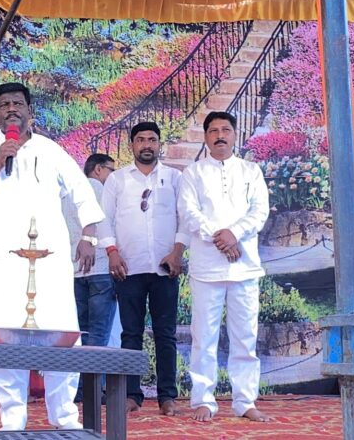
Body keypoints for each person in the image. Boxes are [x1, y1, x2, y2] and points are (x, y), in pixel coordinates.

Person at [0, 82, 104, 431]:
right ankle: (12, 418)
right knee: (1, 335)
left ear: (29, 111)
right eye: (5, 104)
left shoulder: (50, 150)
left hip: (49, 263)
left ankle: (64, 417)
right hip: (0, 265)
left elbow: (82, 192)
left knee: (61, 332)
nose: (12, 109)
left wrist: (88, 237)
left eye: (18, 103)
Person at [178, 111, 270, 423]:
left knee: (245, 337)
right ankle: (204, 400)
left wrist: (235, 234)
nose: (220, 135)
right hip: (207, 268)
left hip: (244, 267)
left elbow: (259, 212)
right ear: (206, 137)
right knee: (204, 338)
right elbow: (189, 213)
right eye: (214, 130)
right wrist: (220, 238)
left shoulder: (250, 170)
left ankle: (245, 401)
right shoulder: (193, 173)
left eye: (225, 130)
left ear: (234, 134)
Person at [98, 122, 187, 415]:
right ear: (132, 145)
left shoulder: (174, 178)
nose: (146, 144)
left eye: (152, 139)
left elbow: (184, 218)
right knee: (130, 334)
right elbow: (104, 219)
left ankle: (167, 396)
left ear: (159, 144)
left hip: (165, 267)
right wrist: (112, 252)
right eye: (140, 140)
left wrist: (177, 252)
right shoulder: (117, 180)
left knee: (166, 334)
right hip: (129, 267)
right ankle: (131, 395)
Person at [61, 153, 117, 403]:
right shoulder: (98, 189)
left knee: (81, 333)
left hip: (75, 270)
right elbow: (106, 224)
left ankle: (81, 388)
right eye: (110, 170)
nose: (112, 176)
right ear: (97, 170)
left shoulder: (66, 195)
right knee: (99, 334)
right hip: (100, 267)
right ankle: (96, 388)